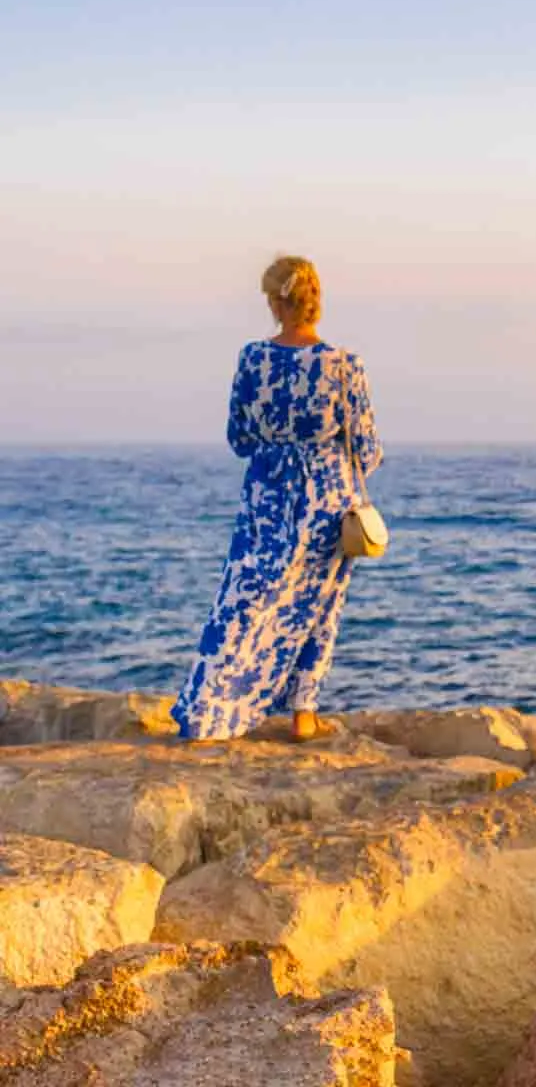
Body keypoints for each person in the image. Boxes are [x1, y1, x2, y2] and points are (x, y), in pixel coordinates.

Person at [171, 255, 383, 743]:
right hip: (327, 498)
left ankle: (209, 708)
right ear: (316, 301)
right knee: (319, 604)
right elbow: (367, 449)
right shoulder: (343, 364)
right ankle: (304, 715)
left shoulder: (252, 358)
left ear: (273, 302)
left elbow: (238, 438)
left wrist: (277, 450)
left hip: (265, 497)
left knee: (241, 600)